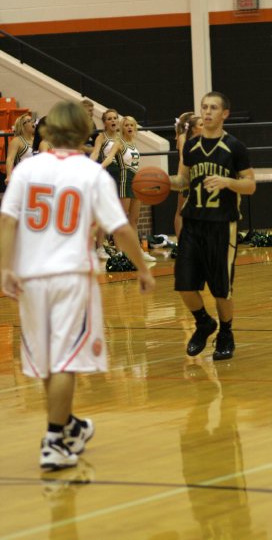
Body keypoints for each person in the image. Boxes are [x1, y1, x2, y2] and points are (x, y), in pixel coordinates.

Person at [0, 100, 154, 471]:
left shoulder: (27, 170)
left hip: (31, 276)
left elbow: (7, 222)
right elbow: (120, 229)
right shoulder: (91, 174)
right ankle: (54, 439)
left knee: (48, 363)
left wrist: (5, 268)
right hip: (71, 276)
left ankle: (68, 425)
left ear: (48, 130)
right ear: (86, 132)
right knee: (65, 359)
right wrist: (142, 269)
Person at [170, 91, 256, 361]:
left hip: (222, 225)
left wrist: (228, 182)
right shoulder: (191, 147)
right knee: (184, 284)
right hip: (193, 223)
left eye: (213, 108)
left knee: (221, 289)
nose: (207, 112)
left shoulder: (235, 147)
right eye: (204, 107)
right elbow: (183, 181)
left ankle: (226, 334)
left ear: (224, 114)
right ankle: (204, 323)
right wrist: (159, 181)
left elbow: (251, 185)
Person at [118, 115, 156, 262]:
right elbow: (109, 161)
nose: (129, 127)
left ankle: (137, 250)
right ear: (122, 127)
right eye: (126, 125)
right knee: (122, 218)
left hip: (135, 182)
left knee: (134, 219)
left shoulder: (134, 144)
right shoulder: (119, 143)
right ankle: (121, 252)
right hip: (124, 181)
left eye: (132, 125)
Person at [89, 108, 122, 259]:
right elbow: (95, 153)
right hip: (107, 173)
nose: (113, 120)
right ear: (104, 123)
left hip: (122, 175)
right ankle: (100, 247)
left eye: (115, 118)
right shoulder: (101, 137)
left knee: (121, 213)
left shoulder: (122, 137)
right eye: (109, 119)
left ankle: (119, 247)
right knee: (103, 212)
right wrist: (89, 166)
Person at [174, 112, 203, 240]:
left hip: (199, 175)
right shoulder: (183, 137)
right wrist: (182, 177)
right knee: (181, 210)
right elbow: (182, 158)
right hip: (186, 174)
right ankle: (181, 242)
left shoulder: (203, 138)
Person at [4, 113, 35, 185]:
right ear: (22, 126)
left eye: (32, 120)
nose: (32, 122)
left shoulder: (37, 139)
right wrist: (9, 176)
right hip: (23, 178)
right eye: (29, 120)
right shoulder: (17, 141)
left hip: (36, 177)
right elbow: (10, 159)